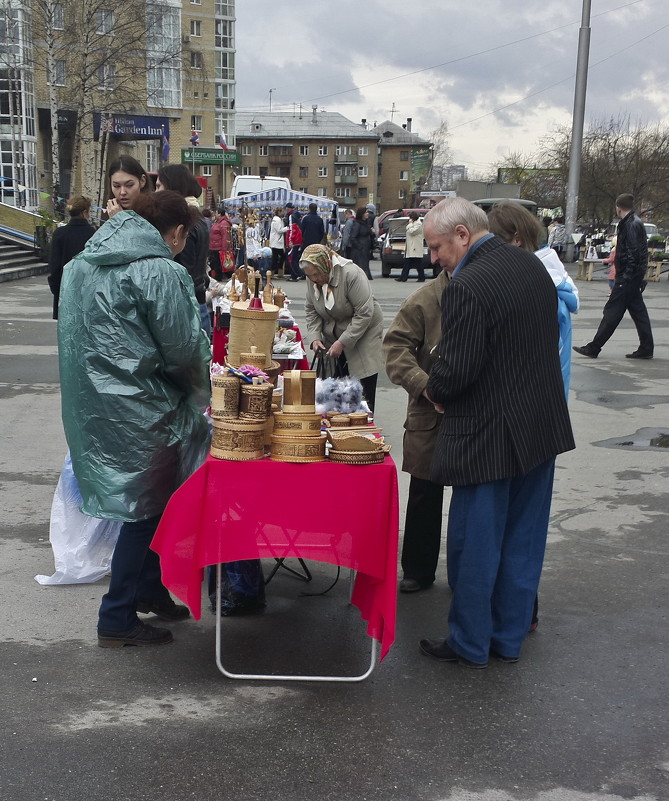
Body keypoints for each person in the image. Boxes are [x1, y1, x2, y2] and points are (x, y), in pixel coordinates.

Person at [420, 198, 575, 668]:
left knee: (476, 545)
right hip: (541, 426)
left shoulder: (467, 284)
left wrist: (436, 388)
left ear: (463, 235)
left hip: (489, 436)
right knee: (524, 542)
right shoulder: (534, 267)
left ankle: (470, 643)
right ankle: (507, 639)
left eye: (437, 247)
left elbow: (456, 370)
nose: (433, 258)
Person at [57, 190, 211, 647]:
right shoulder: (159, 270)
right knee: (145, 509)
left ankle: (148, 589)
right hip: (142, 404)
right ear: (179, 232)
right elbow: (184, 350)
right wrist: (200, 392)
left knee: (151, 503)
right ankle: (117, 614)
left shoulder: (82, 264)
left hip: (95, 403)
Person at [383, 267, 449, 592]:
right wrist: (425, 386)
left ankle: (469, 574)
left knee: (474, 497)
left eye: (438, 247)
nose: (433, 256)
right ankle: (418, 569)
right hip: (429, 415)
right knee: (424, 492)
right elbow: (395, 350)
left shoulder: (487, 292)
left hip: (475, 416)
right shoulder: (423, 300)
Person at [487, 200, 579, 395]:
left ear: (517, 239)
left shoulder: (535, 282)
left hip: (533, 394)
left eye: (495, 242)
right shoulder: (548, 276)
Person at [301, 244, 383, 412]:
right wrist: (315, 337)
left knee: (361, 389)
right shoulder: (313, 279)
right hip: (334, 334)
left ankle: (363, 426)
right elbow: (311, 309)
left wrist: (343, 342)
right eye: (309, 276)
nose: (314, 279)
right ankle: (338, 427)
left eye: (316, 274)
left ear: (326, 265)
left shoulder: (352, 275)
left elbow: (364, 313)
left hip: (363, 334)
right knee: (335, 391)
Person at [573, 193, 654, 360]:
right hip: (633, 276)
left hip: (627, 277)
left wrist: (625, 277)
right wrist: (638, 275)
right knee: (639, 313)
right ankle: (646, 347)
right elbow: (639, 252)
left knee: (612, 312)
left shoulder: (629, 225)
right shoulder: (634, 222)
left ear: (618, 208)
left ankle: (594, 347)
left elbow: (632, 253)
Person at [156, 164, 211, 336]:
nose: (155, 192)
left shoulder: (185, 221)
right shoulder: (198, 217)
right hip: (196, 305)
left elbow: (183, 273)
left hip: (186, 310)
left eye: (158, 186)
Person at [47, 195, 95, 319]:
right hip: (88, 292)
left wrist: (56, 290)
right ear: (84, 212)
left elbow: (54, 265)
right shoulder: (93, 234)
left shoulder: (59, 233)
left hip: (65, 290)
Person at [395, 212, 425, 283]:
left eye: (410, 218)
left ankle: (421, 277)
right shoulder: (414, 224)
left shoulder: (419, 224)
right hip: (411, 247)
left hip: (415, 247)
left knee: (418, 264)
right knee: (407, 263)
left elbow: (412, 232)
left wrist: (410, 224)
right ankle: (403, 277)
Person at [349, 207, 373, 280]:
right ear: (362, 214)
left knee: (365, 265)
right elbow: (353, 237)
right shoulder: (357, 223)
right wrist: (359, 246)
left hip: (365, 248)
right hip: (359, 250)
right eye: (366, 212)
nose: (367, 214)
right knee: (360, 266)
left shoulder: (365, 223)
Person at [209, 204, 233, 274]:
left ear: (219, 214)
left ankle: (220, 276)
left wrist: (224, 249)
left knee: (219, 263)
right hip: (214, 246)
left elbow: (225, 236)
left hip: (219, 248)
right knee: (216, 263)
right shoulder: (217, 222)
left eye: (216, 213)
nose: (215, 214)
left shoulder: (224, 223)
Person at [269, 207, 289, 276]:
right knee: (281, 256)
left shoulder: (276, 219)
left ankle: (274, 271)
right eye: (282, 212)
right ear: (279, 212)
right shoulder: (277, 220)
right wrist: (287, 228)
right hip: (277, 241)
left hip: (275, 241)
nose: (283, 213)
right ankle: (277, 271)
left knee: (276, 257)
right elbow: (279, 230)